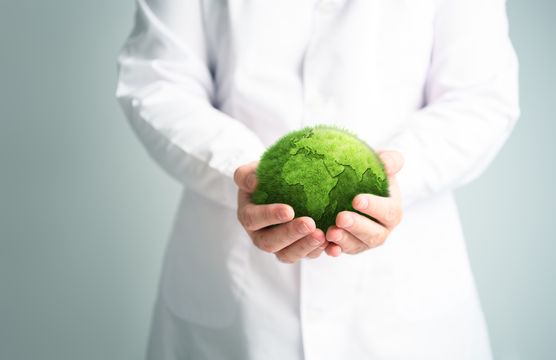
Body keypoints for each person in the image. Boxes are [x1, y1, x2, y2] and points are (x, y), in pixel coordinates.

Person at [115, 0, 519, 358]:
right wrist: (241, 171)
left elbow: (480, 94)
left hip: (404, 302)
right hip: (234, 295)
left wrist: (393, 176)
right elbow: (158, 79)